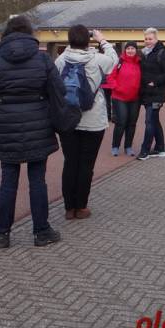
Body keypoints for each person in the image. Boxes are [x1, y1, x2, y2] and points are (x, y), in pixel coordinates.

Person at [0, 15, 63, 248]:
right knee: (38, 181)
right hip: (39, 124)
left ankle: (2, 233)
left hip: (7, 124)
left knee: (8, 181)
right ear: (29, 33)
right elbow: (58, 90)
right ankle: (42, 231)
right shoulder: (43, 59)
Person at [55, 25, 118, 219]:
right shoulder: (98, 59)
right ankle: (81, 207)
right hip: (93, 119)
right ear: (87, 40)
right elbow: (114, 60)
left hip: (68, 119)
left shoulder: (61, 60)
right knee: (86, 164)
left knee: (70, 162)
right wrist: (102, 40)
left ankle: (69, 208)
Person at [137, 27, 165, 160]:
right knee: (154, 121)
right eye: (146, 39)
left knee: (149, 121)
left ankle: (145, 150)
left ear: (156, 39)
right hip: (147, 94)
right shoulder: (144, 54)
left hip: (157, 94)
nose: (148, 41)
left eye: (150, 39)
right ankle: (160, 149)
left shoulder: (162, 54)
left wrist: (155, 82)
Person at [103, 40, 142, 156]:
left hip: (135, 98)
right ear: (125, 50)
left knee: (132, 123)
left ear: (136, 50)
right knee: (121, 122)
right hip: (119, 97)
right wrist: (117, 87)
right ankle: (115, 146)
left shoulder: (140, 63)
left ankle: (128, 146)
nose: (130, 50)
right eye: (128, 48)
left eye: (132, 48)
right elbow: (110, 78)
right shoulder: (119, 62)